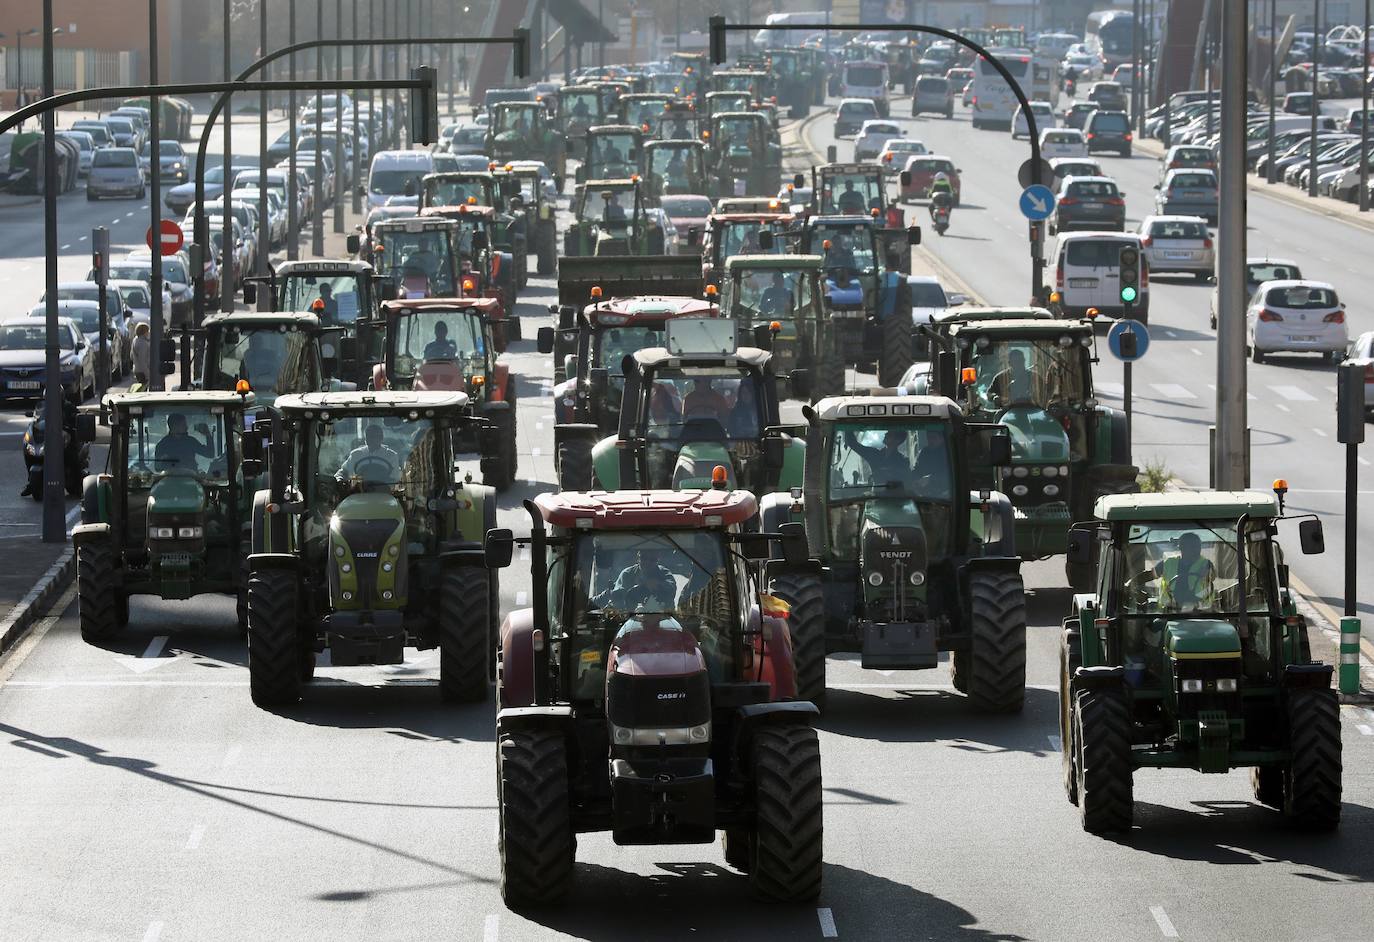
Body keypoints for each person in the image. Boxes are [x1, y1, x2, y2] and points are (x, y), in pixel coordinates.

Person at [594, 545, 679, 612]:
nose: (647, 562)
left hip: (663, 618)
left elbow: (671, 588)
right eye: (644, 558)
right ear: (638, 558)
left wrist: (657, 585)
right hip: (632, 619)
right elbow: (617, 595)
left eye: (652, 559)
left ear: (658, 560)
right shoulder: (628, 574)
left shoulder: (664, 573)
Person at [1156, 532, 1217, 611]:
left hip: (1200, 611)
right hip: (1169, 610)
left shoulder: (1206, 564)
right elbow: (1151, 574)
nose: (1196, 550)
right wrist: (1135, 582)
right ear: (1181, 547)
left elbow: (1212, 576)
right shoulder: (1168, 563)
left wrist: (1207, 573)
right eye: (1192, 546)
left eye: (1197, 546)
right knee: (1156, 623)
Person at [336, 423, 400, 484]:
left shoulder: (391, 456)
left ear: (381, 438)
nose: (373, 439)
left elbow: (394, 479)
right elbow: (343, 472)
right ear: (365, 438)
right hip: (360, 491)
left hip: (384, 490)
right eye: (370, 436)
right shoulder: (356, 454)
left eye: (376, 436)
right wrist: (339, 479)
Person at [845, 428, 910, 484]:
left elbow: (906, 480)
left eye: (890, 434)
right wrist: (849, 427)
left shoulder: (903, 461)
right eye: (887, 432)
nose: (885, 434)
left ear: (897, 440)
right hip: (876, 495)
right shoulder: (874, 454)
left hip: (896, 496)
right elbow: (853, 444)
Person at [131, 322, 151, 387]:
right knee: (144, 389)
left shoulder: (135, 340)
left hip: (137, 369)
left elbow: (131, 356)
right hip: (143, 372)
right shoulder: (143, 343)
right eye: (147, 331)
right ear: (144, 332)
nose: (148, 333)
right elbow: (142, 360)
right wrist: (147, 374)